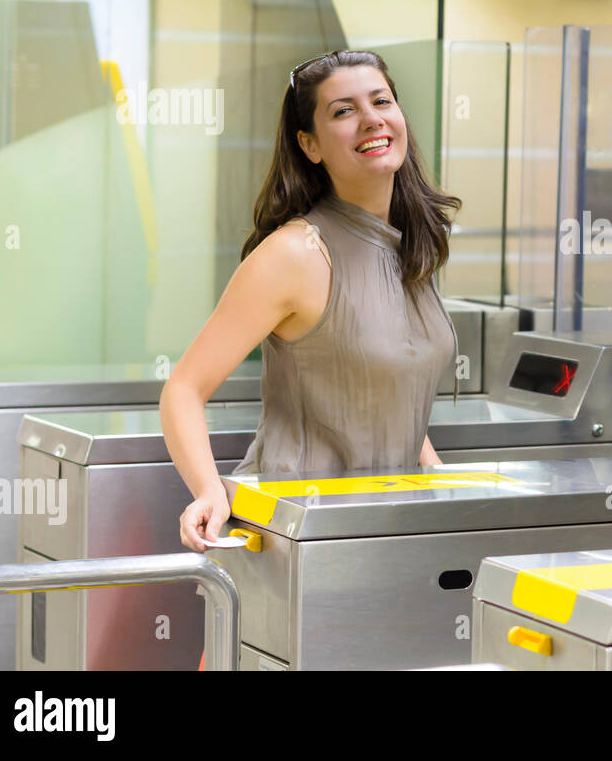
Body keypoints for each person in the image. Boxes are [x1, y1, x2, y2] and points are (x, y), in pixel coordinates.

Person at [161, 49, 461, 553]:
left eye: (381, 101)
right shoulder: (295, 253)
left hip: (389, 528)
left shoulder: (411, 246)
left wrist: (436, 480)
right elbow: (183, 389)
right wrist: (208, 490)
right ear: (310, 144)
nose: (371, 120)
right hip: (294, 535)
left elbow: (391, 392)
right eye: (343, 111)